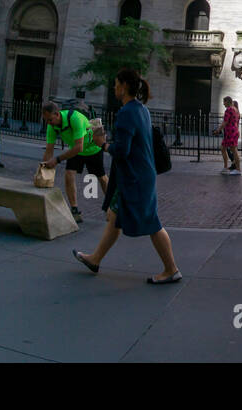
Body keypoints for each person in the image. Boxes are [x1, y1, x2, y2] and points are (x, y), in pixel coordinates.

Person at [72, 69, 180, 284]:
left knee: (152, 222)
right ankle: (95, 259)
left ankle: (171, 269)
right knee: (114, 216)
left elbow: (122, 150)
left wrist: (102, 144)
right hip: (140, 175)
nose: (113, 88)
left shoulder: (126, 112)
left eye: (115, 84)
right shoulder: (142, 109)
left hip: (135, 177)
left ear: (123, 87)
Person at [42, 100, 106, 223]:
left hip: (92, 148)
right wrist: (43, 169)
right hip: (76, 150)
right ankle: (74, 209)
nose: (48, 123)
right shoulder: (52, 126)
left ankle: (111, 205)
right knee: (69, 174)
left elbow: (79, 147)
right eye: (46, 120)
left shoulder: (75, 118)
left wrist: (57, 160)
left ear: (57, 114)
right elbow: (49, 150)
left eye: (50, 119)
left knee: (101, 177)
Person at [215, 96, 241, 175]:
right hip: (234, 131)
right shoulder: (235, 109)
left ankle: (238, 169)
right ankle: (225, 167)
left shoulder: (229, 109)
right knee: (223, 148)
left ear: (228, 101)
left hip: (230, 132)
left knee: (234, 150)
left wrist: (218, 130)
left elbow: (225, 122)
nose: (223, 104)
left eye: (224, 102)